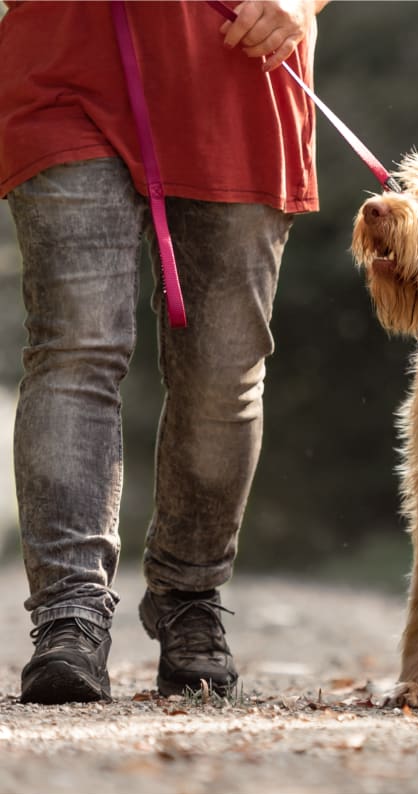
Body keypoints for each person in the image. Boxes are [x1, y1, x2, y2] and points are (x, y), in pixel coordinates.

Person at [0, 0, 327, 703]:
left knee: (223, 369)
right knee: (75, 345)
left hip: (239, 71)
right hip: (67, 62)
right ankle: (70, 616)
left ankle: (189, 598)